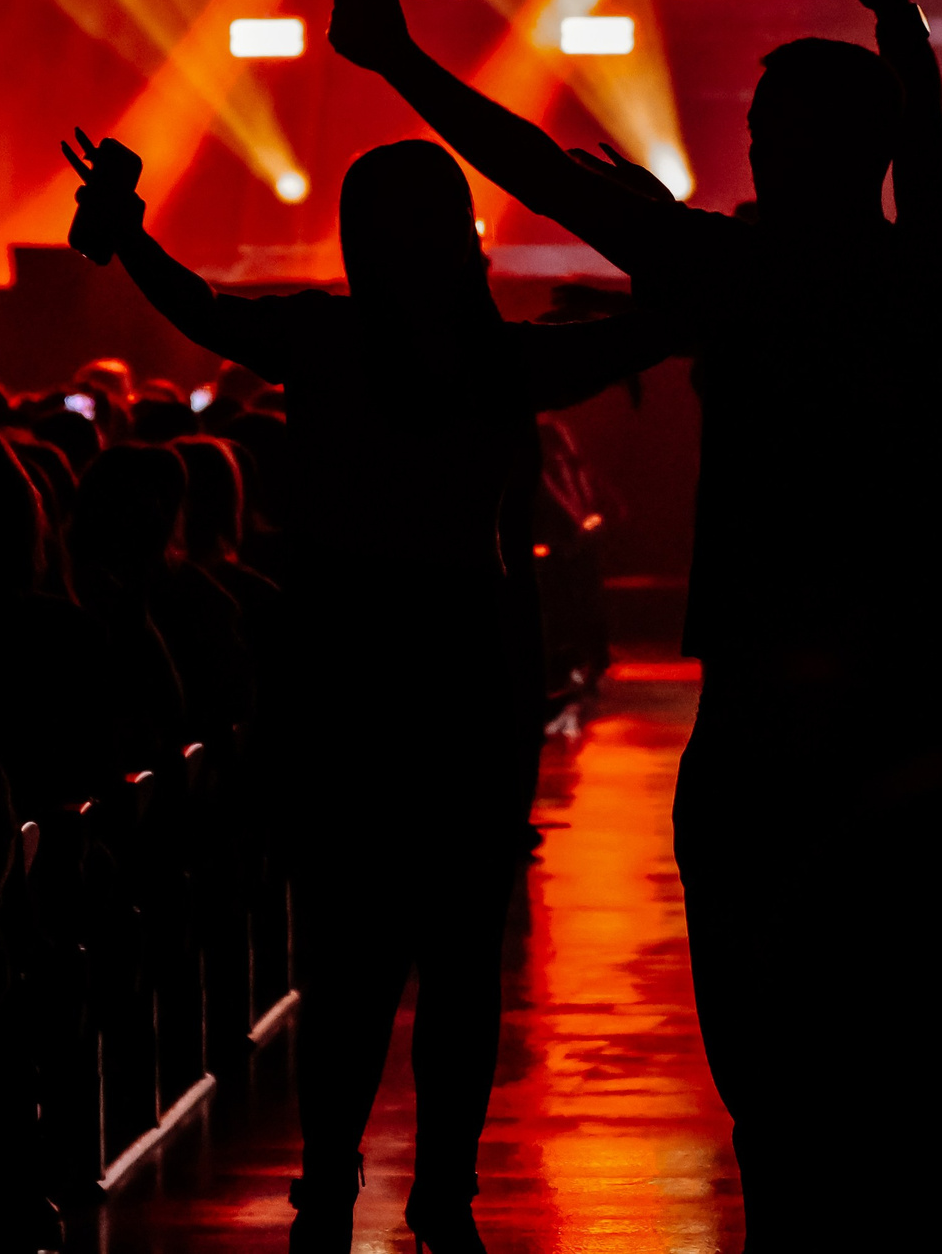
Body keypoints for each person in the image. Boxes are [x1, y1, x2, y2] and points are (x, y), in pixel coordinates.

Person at [326, 0, 942, 1245]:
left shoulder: (742, 271)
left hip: (759, 703)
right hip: (914, 697)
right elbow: (923, 139)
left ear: (793, 147)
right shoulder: (934, 272)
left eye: (764, 128)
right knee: (901, 1049)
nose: (751, 148)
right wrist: (893, 11)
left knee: (766, 1060)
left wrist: (403, 66)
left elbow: (535, 170)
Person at [61, 129, 669, 1254]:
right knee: (460, 958)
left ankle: (330, 1181)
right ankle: (444, 1190)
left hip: (342, 658)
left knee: (345, 953)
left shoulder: (321, 340)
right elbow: (659, 327)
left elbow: (201, 308)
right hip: (463, 663)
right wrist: (651, 229)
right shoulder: (505, 361)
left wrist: (129, 231)